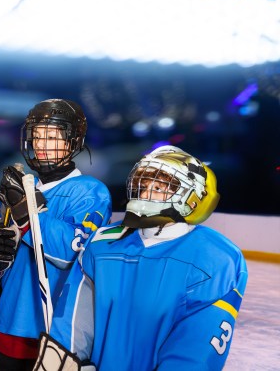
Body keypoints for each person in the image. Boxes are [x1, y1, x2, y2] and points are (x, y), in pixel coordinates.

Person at [35, 145, 248, 371]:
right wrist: (65, 363)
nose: (145, 194)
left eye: (159, 187)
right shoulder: (101, 243)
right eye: (143, 186)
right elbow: (73, 319)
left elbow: (195, 350)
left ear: (193, 199)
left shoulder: (216, 258)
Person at [0, 99, 112, 371]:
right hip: (9, 320)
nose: (41, 144)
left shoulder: (89, 191)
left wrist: (28, 214)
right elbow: (1, 264)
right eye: (37, 136)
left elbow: (71, 252)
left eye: (51, 136)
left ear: (72, 141)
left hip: (53, 329)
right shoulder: (20, 189)